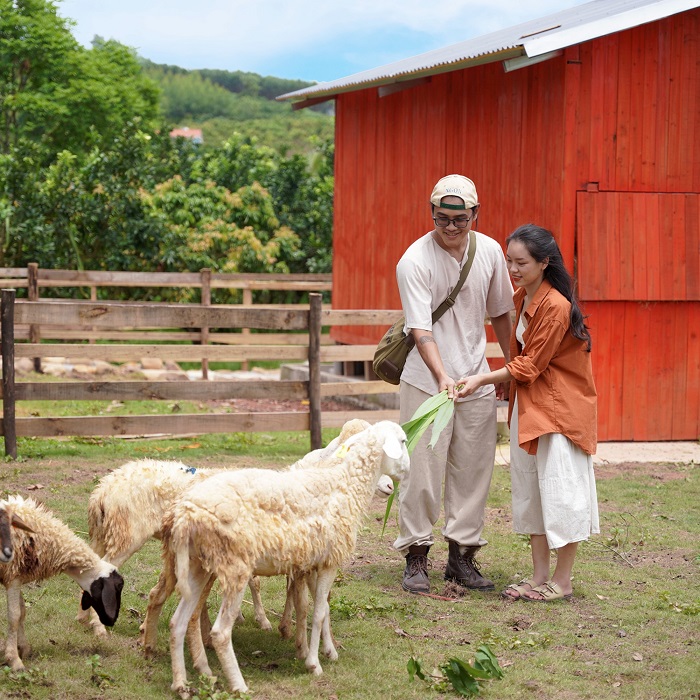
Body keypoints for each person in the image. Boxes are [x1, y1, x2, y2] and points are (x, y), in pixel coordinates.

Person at [455, 223, 599, 602]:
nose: (513, 269)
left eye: (521, 262)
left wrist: (480, 378)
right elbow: (523, 363)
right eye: (509, 261)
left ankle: (562, 581)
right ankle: (538, 577)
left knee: (561, 494)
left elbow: (529, 366)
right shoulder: (523, 297)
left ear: (544, 262)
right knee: (531, 493)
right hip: (530, 408)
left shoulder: (555, 306)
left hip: (558, 413)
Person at [394, 174, 514, 594]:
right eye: (441, 218)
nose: (449, 227)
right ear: (432, 214)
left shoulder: (492, 253)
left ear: (475, 215)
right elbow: (419, 329)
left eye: (459, 219)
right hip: (427, 383)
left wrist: (513, 367)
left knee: (473, 470)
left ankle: (462, 557)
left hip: (475, 378)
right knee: (421, 472)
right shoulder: (415, 260)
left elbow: (501, 311)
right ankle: (416, 556)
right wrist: (441, 375)